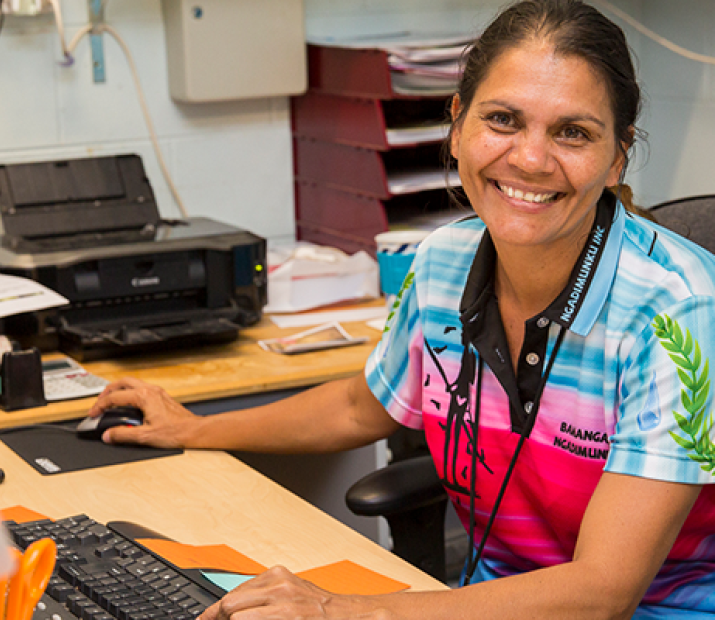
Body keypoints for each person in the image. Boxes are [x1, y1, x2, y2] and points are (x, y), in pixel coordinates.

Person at [86, 0, 715, 617]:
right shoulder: (442, 260)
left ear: (618, 156)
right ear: (458, 122)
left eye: (572, 132)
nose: (529, 158)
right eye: (502, 120)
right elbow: (362, 406)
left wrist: (344, 610)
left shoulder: (678, 310)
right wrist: (191, 428)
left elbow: (603, 593)